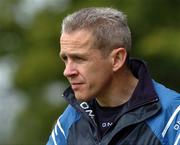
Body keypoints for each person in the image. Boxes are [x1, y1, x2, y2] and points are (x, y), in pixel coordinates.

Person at [46, 7, 180, 145]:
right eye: (65, 59)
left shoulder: (173, 117)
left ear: (117, 59)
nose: (67, 71)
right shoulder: (69, 120)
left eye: (79, 59)